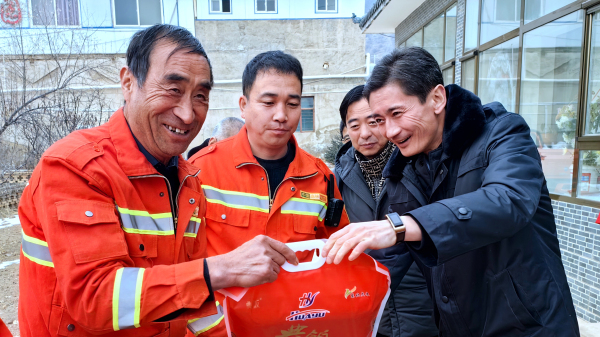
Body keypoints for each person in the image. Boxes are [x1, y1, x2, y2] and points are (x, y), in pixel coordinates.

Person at [18, 25, 297, 337]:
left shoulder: (189, 182)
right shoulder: (75, 166)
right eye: (173, 89)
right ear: (128, 82)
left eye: (201, 96)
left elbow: (190, 298)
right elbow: (93, 297)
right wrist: (219, 270)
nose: (188, 114)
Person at [323, 47, 580, 336]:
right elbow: (387, 261)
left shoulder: (502, 133)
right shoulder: (403, 170)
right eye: (381, 119)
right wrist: (313, 301)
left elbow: (509, 201)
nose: (390, 131)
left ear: (436, 98)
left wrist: (405, 224)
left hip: (529, 325)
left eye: (397, 113)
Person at [189, 50, 350, 335]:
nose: (281, 115)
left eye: (292, 104)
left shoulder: (320, 178)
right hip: (220, 328)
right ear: (243, 105)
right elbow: (181, 262)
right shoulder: (201, 171)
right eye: (268, 102)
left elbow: (335, 261)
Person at [335, 85, 437, 337]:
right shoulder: (338, 179)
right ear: (346, 130)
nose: (365, 133)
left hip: (425, 308)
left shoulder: (419, 166)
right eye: (355, 125)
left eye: (374, 122)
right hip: (369, 310)